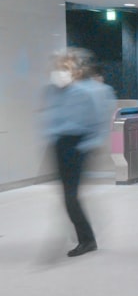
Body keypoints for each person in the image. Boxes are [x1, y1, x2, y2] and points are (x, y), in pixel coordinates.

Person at [41, 48, 114, 258]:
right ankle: (84, 235)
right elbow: (50, 117)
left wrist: (87, 146)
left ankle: (87, 239)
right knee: (67, 195)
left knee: (70, 197)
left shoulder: (85, 92)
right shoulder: (51, 90)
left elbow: (97, 122)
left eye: (64, 68)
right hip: (60, 144)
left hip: (77, 145)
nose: (59, 73)